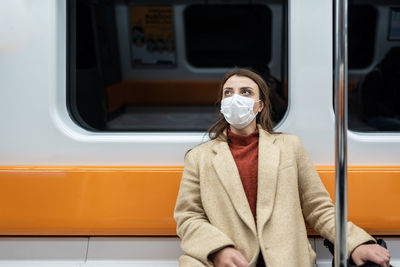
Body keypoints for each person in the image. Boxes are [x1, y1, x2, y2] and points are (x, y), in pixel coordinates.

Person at [174, 68, 391, 267]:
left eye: (246, 92)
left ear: (260, 105)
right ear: (222, 104)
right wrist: (218, 249)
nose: (235, 98)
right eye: (228, 92)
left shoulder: (289, 147)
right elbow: (188, 216)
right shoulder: (200, 157)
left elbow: (318, 208)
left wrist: (356, 242)